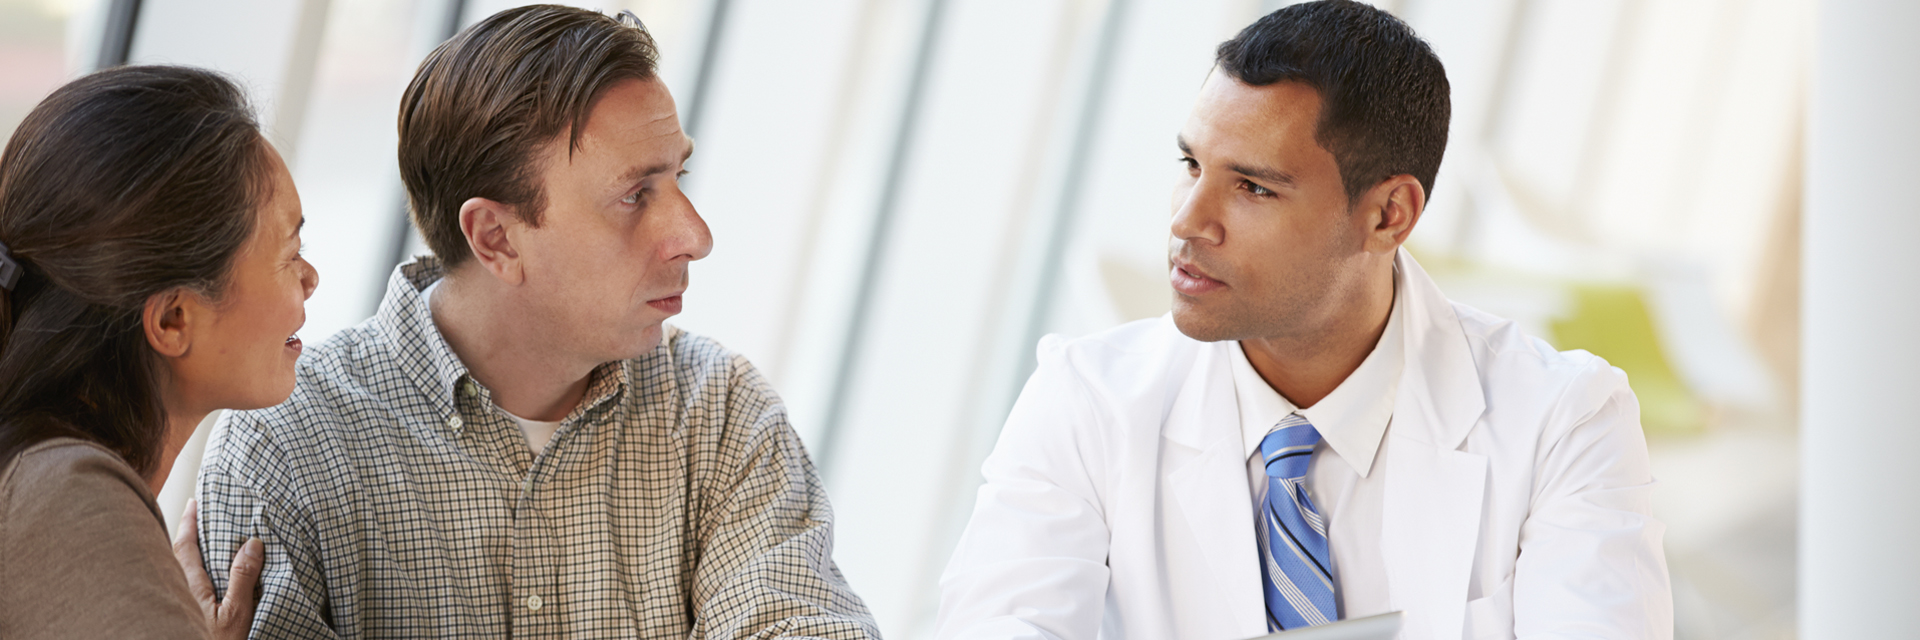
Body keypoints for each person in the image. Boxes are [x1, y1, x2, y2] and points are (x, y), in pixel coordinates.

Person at [934, 2, 1672, 639]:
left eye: (1253, 188)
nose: (1188, 222)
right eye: (1191, 166)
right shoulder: (1084, 400)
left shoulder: (1564, 423)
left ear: (1389, 215)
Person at [192, 6, 879, 638]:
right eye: (635, 195)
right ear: (496, 239)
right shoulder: (282, 451)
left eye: (680, 178)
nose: (695, 237)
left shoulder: (720, 413)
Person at [0, 65, 318, 638]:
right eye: (289, 253)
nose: (311, 278)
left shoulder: (44, 477)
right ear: (173, 320)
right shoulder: (73, 504)